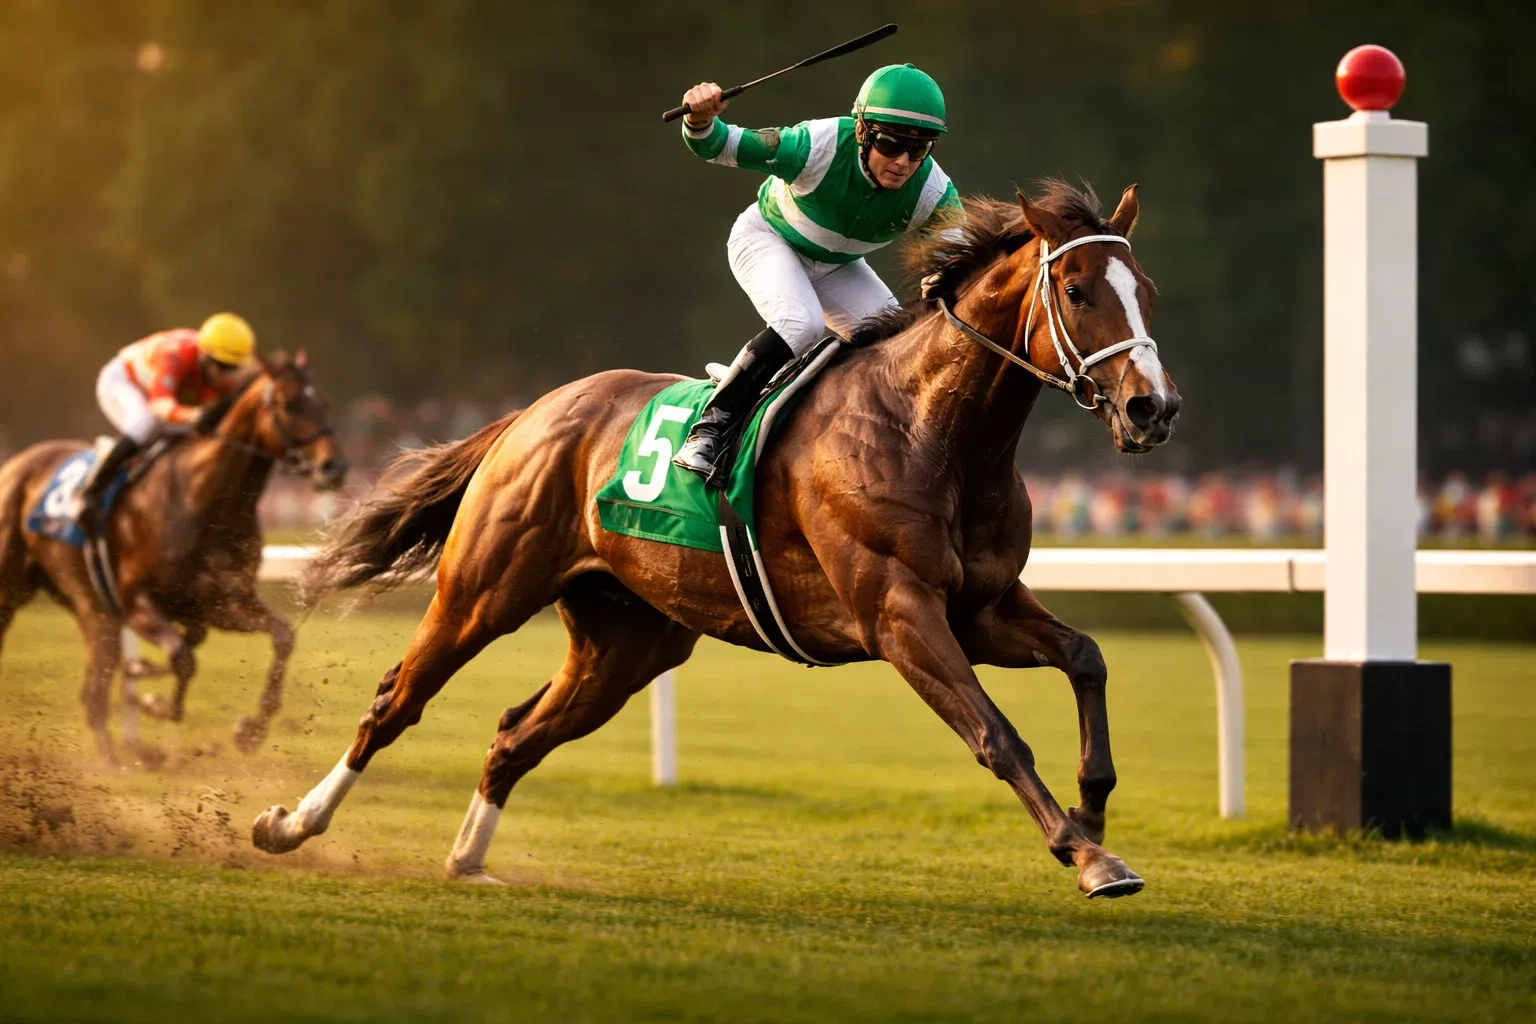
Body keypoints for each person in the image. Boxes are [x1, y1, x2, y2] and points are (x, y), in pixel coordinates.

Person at [671, 63, 962, 484]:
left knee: (895, 343)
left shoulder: (934, 191)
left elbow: (965, 255)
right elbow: (721, 145)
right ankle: (709, 430)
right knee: (799, 322)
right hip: (767, 239)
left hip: (837, 267)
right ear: (862, 131)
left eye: (919, 150)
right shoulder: (816, 144)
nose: (903, 162)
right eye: (891, 143)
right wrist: (699, 119)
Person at [76, 312, 257, 534]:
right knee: (144, 423)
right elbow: (159, 405)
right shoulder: (175, 353)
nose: (229, 375)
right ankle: (90, 492)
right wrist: (193, 416)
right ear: (205, 356)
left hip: (166, 394)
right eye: (223, 366)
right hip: (125, 383)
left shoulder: (227, 372)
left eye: (234, 368)